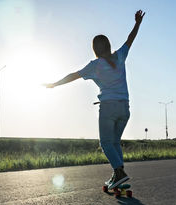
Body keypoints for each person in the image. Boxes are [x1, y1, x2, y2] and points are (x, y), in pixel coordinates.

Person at [44, 10, 145, 189]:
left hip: (108, 108)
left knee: (105, 143)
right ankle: (118, 177)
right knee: (114, 143)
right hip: (125, 108)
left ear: (95, 49)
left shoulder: (95, 65)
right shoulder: (120, 56)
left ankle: (119, 173)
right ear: (108, 45)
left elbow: (73, 76)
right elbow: (130, 39)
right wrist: (137, 23)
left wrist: (54, 84)